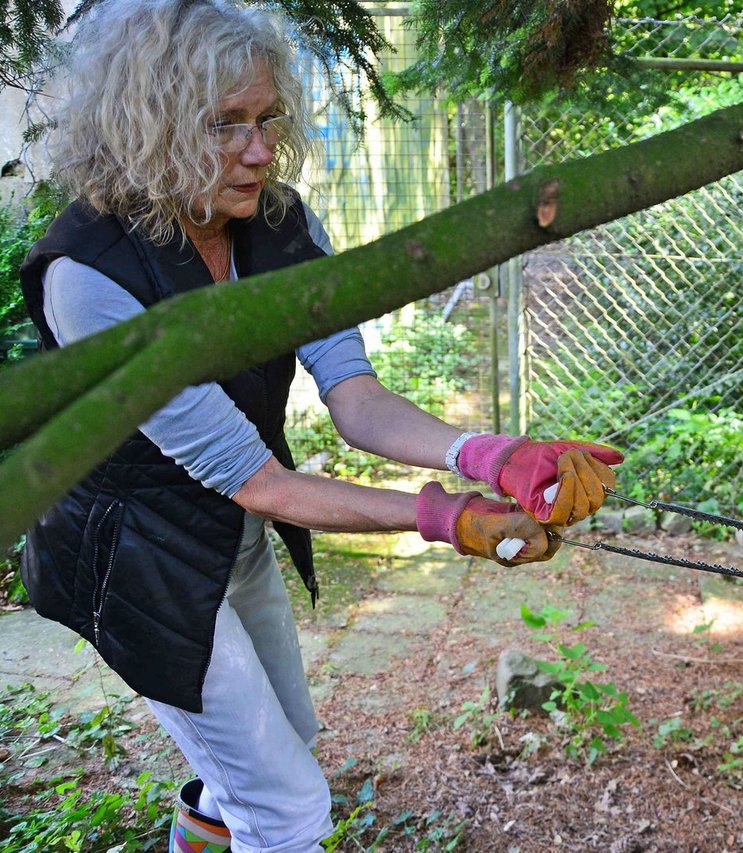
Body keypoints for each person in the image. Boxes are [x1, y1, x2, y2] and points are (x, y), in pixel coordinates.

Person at [17, 1, 623, 850]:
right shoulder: (87, 275)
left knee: (280, 748)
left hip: (232, 537)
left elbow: (353, 395)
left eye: (265, 118)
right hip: (135, 561)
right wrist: (445, 517)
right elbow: (257, 477)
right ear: (142, 126)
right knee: (287, 806)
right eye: (224, 125)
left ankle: (198, 835)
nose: (261, 150)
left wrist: (492, 452)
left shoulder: (281, 222)